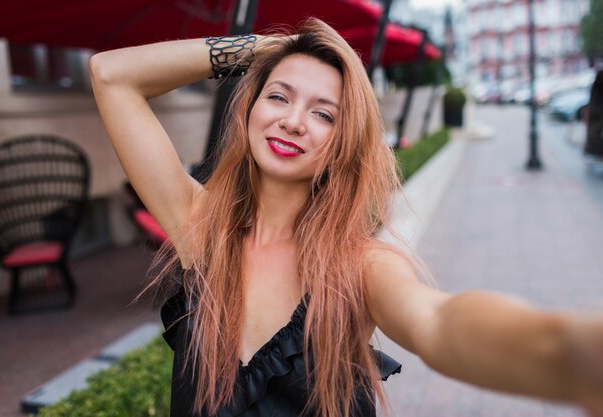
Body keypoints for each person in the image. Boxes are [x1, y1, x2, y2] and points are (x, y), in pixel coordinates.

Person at [90, 18, 603, 417]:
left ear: (341, 144)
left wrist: (566, 352)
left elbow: (439, 324)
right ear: (248, 109)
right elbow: (111, 75)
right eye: (278, 96)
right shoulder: (202, 230)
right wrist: (269, 49)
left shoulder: (360, 266)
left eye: (323, 113)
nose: (293, 121)